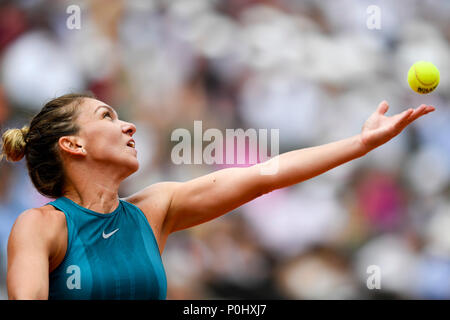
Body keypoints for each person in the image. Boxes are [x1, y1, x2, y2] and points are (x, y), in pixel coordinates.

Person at [0, 93, 434, 300]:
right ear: (73, 145)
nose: (128, 126)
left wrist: (360, 144)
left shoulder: (155, 210)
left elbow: (266, 175)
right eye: (107, 117)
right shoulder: (41, 227)